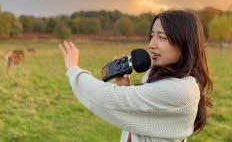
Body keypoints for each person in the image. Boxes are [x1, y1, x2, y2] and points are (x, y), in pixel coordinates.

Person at [58, 10, 213, 142]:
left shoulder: (182, 90)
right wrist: (124, 87)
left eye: (162, 37)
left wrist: (73, 70)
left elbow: (107, 98)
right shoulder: (154, 75)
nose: (152, 44)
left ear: (184, 42)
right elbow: (139, 118)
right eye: (152, 35)